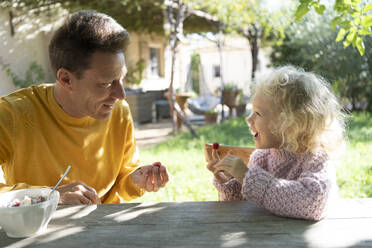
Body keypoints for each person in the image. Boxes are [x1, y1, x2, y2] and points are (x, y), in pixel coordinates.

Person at [0, 10, 169, 204]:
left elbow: (121, 179)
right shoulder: (13, 113)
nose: (121, 94)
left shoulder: (118, 110)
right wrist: (49, 196)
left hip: (102, 228)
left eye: (122, 78)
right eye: (106, 83)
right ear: (66, 79)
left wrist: (135, 180)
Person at [207, 66, 346, 221]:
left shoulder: (315, 158)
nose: (248, 120)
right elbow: (249, 204)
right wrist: (231, 184)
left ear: (291, 123)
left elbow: (314, 202)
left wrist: (247, 176)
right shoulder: (261, 158)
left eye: (258, 114)